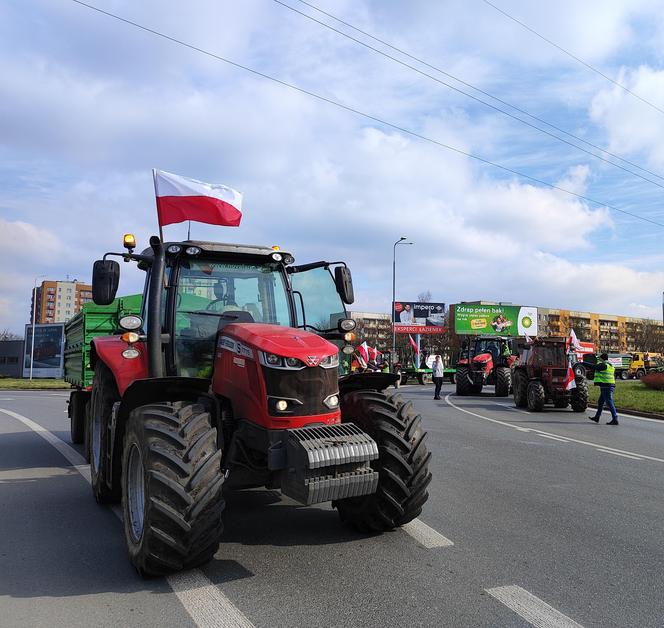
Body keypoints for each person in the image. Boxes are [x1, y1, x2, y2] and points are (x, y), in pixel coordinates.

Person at [589, 353, 619, 425]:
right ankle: (597, 417)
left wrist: (582, 363)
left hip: (606, 386)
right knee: (601, 402)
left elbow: (593, 366)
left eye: (600, 358)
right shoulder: (610, 365)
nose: (599, 360)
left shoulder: (604, 365)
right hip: (608, 385)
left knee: (609, 402)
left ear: (602, 359)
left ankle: (615, 418)